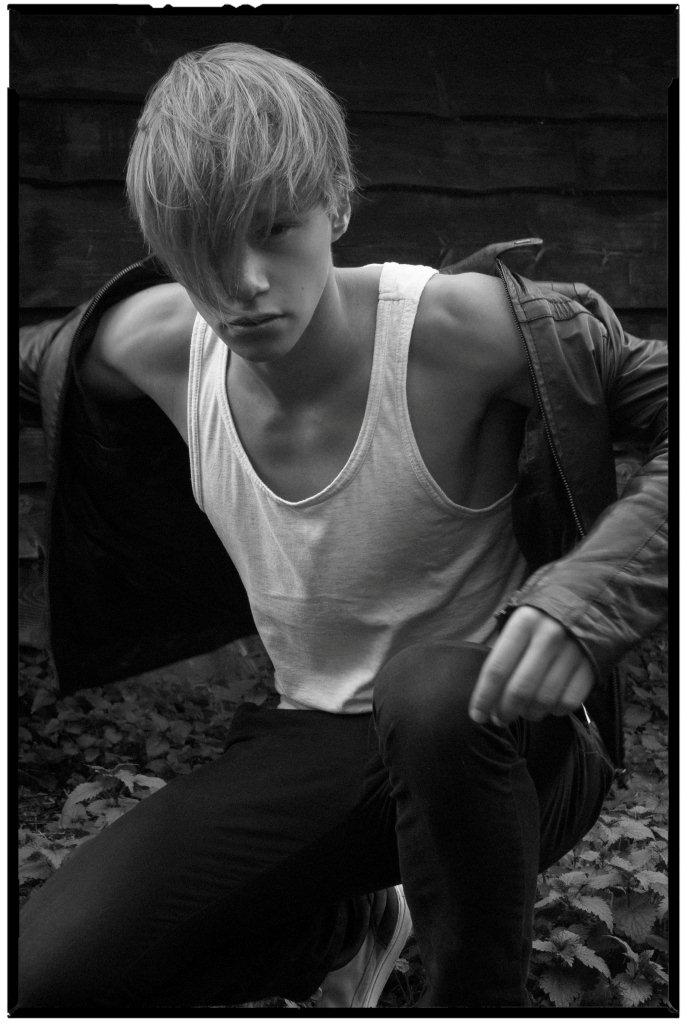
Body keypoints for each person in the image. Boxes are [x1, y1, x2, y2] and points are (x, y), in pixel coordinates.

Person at [16, 42, 667, 1009]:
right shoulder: (152, 346)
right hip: (313, 746)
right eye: (200, 243)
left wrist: (589, 598)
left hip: (505, 740)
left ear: (338, 207)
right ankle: (346, 924)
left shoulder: (465, 333)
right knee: (45, 975)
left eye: (276, 229)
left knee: (432, 692)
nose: (241, 280)